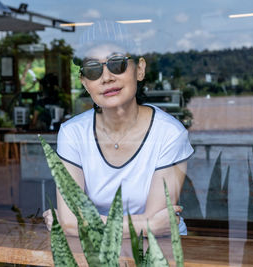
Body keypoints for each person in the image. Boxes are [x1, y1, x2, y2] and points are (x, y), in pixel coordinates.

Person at [43, 20, 194, 237]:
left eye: (117, 63)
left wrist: (80, 224)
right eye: (93, 69)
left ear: (139, 69)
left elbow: (159, 222)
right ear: (85, 83)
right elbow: (69, 221)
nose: (106, 77)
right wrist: (147, 225)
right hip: (98, 251)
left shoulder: (169, 133)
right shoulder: (72, 133)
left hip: (160, 250)